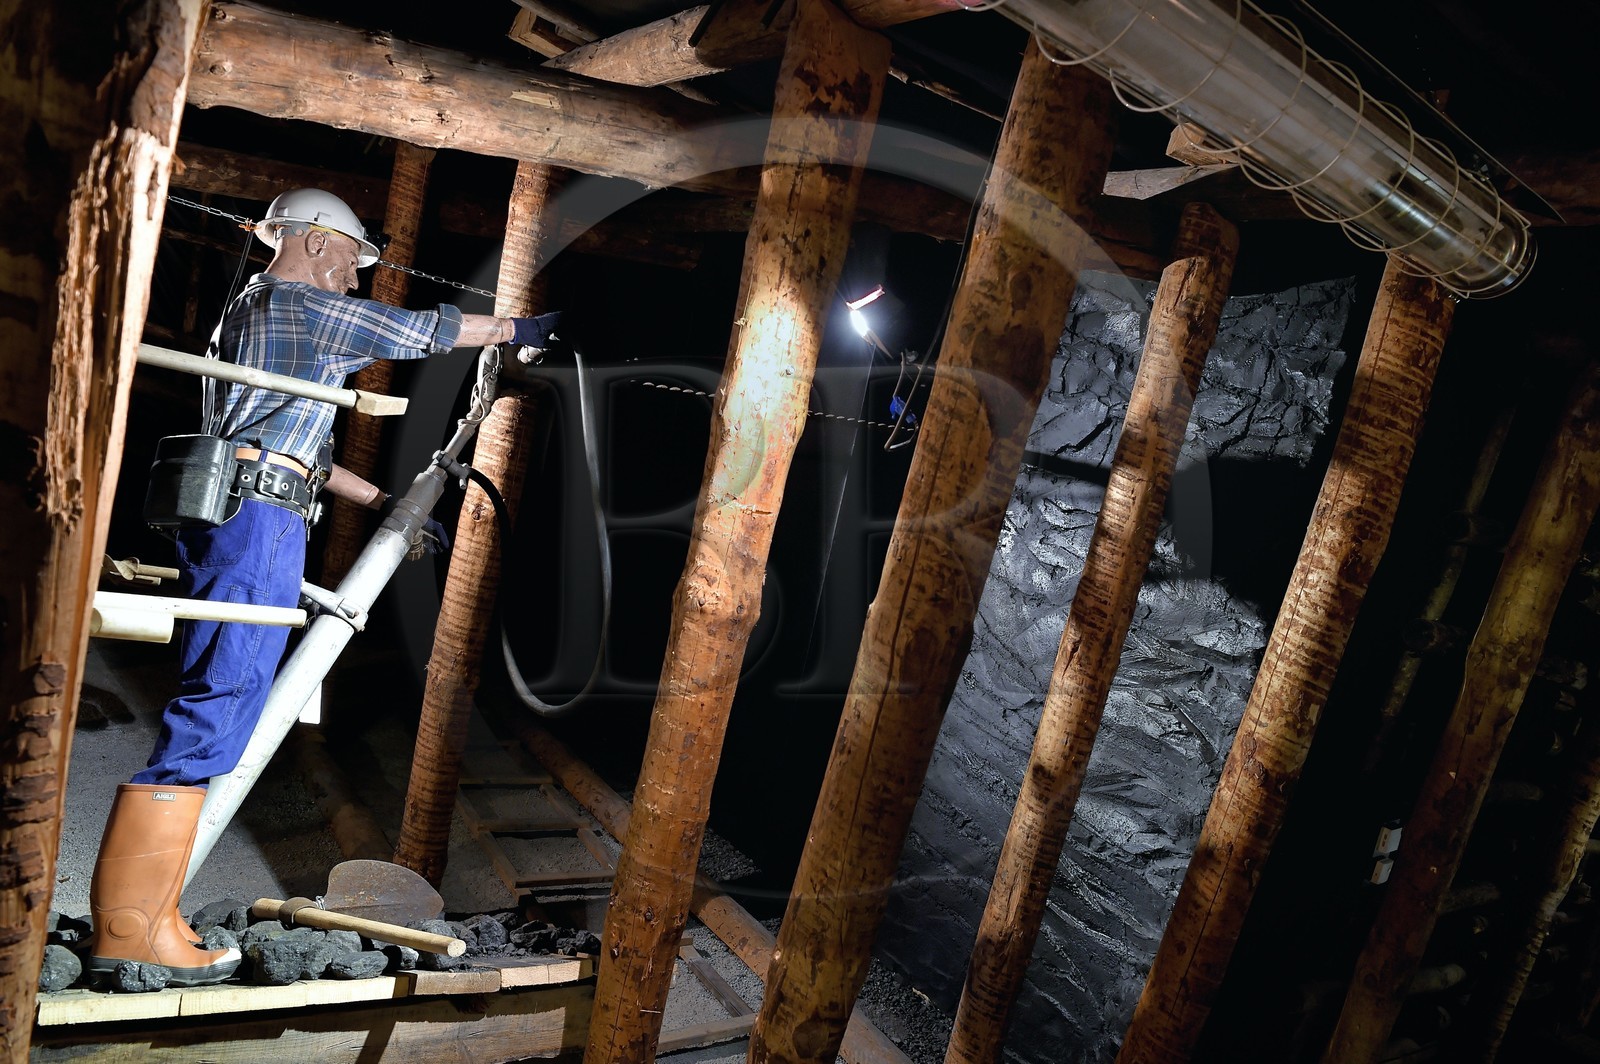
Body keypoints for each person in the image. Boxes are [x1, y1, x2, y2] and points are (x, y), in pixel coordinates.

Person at [85, 188, 559, 986]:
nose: (353, 280)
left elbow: (290, 442)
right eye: (349, 262)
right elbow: (417, 330)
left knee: (222, 701)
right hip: (256, 523)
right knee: (223, 701)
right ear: (310, 244)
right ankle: (129, 931)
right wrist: (515, 330)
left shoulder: (257, 314)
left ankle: (149, 918)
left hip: (248, 505)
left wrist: (383, 503)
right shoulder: (297, 302)